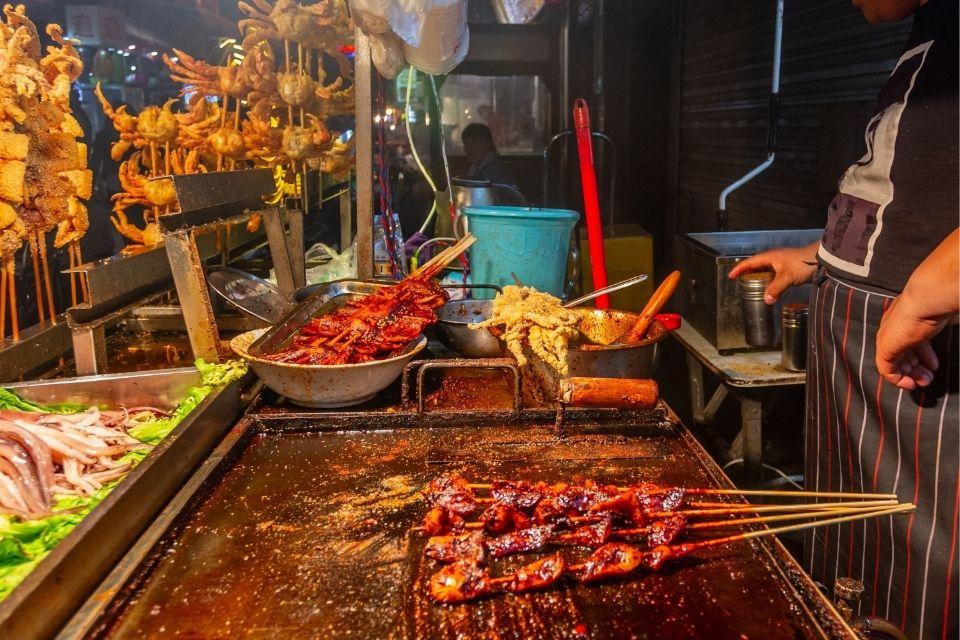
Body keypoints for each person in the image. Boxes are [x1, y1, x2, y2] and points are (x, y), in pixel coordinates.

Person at [729, 1, 957, 637]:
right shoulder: (936, 27)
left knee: (917, 578)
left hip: (922, 344)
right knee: (845, 545)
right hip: (868, 323)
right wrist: (815, 257)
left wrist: (922, 301)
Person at [460, 122, 517, 187]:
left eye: (474, 141)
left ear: (488, 143)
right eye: (466, 142)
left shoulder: (496, 170)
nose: (469, 147)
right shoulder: (476, 168)